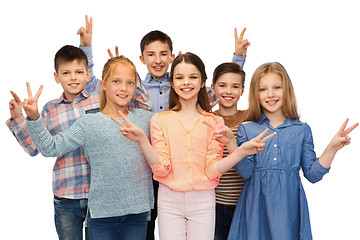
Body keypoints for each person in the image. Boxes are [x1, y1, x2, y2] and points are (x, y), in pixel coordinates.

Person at [6, 16, 151, 239]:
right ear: (56, 77)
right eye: (66, 73)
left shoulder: (97, 95)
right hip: (68, 194)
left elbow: (115, 83)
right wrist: (23, 119)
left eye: (79, 73)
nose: (73, 78)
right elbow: (39, 147)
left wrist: (93, 50)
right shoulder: (50, 109)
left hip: (101, 195)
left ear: (88, 75)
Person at [104, 25, 250, 240]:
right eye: (180, 78)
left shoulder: (213, 122)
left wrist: (238, 150)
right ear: (173, 83)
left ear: (202, 83)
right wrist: (118, 70)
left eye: (193, 77)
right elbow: (161, 167)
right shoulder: (154, 111)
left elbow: (226, 84)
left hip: (202, 197)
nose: (186, 83)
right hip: (159, 184)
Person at [226, 62, 358, 239]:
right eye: (263, 89)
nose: (270, 94)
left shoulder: (301, 129)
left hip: (288, 211)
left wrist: (332, 148)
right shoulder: (246, 129)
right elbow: (245, 172)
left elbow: (312, 174)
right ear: (254, 94)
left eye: (277, 87)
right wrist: (232, 144)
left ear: (286, 89)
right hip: (255, 209)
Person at [210, 62, 247, 240]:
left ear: (242, 90)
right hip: (214, 202)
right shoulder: (207, 118)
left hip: (244, 202)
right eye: (222, 85)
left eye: (235, 86)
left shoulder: (250, 118)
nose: (228, 91)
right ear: (213, 88)